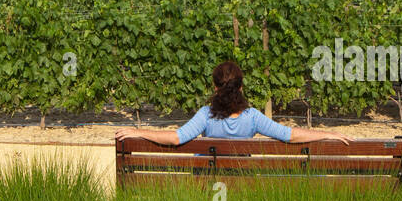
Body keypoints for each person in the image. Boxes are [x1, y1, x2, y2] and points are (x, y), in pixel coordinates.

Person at [113, 60, 353, 146]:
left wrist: (137, 131)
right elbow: (290, 135)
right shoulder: (252, 117)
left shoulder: (206, 115)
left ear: (215, 88)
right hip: (241, 185)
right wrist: (327, 134)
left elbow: (176, 138)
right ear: (240, 87)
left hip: (206, 184)